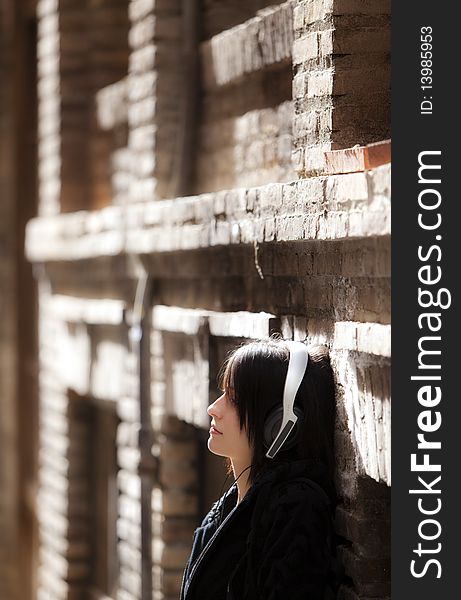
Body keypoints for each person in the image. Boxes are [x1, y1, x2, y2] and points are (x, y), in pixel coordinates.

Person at [179, 338, 338, 600]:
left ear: (280, 424)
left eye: (236, 399)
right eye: (223, 394)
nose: (213, 408)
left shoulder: (296, 508)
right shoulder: (227, 508)